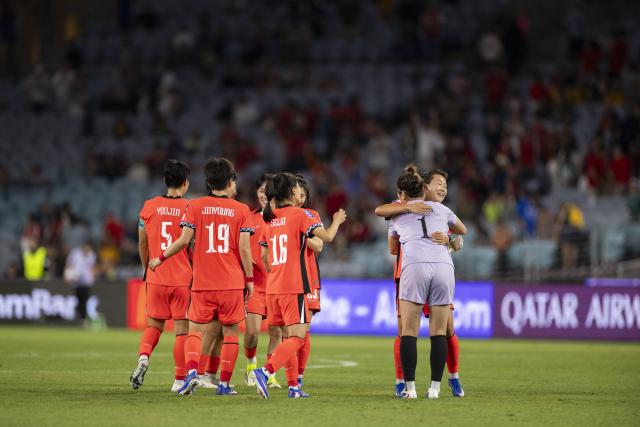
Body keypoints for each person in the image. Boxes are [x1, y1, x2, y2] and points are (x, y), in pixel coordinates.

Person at [149, 157, 254, 396]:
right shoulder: (241, 210)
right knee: (229, 334)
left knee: (194, 332)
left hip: (202, 283)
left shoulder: (194, 206)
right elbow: (245, 249)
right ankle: (224, 385)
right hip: (231, 283)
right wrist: (249, 279)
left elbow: (184, 240)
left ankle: (192, 374)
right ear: (229, 182)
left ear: (208, 181)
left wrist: (161, 257)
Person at [252, 172, 347, 399]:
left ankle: (294, 387)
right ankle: (265, 371)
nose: (299, 191)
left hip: (273, 286)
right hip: (294, 286)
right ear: (291, 192)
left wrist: (277, 271)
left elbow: (264, 255)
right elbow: (328, 238)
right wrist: (337, 220)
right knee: (297, 337)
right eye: (296, 187)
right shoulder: (300, 215)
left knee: (287, 337)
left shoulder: (269, 218)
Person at [374, 170, 464, 398]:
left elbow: (459, 240)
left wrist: (450, 242)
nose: (443, 188)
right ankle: (405, 382)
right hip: (422, 271)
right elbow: (381, 211)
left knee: (443, 329)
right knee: (411, 330)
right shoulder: (404, 204)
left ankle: (452, 377)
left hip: (416, 270)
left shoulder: (440, 209)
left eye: (445, 184)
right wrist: (408, 208)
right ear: (424, 186)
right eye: (438, 184)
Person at [129, 159, 192, 393]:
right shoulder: (189, 208)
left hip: (155, 275)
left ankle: (144, 357)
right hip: (182, 278)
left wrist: (146, 268)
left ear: (165, 180)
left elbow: (142, 243)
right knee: (182, 330)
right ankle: (178, 381)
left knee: (154, 325)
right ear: (185, 183)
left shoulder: (148, 207)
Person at [244, 174, 283, 389]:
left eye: (267, 191)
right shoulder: (248, 218)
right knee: (251, 333)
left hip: (277, 284)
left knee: (276, 332)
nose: (263, 195)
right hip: (255, 285)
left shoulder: (282, 218)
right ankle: (251, 366)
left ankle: (270, 373)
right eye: (260, 191)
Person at [293, 174, 324, 394]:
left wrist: (300, 236)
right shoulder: (278, 215)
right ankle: (277, 373)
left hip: (308, 277)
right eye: (296, 192)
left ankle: (298, 375)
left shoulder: (310, 215)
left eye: (304, 193)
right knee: (286, 330)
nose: (300, 197)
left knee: (304, 328)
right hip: (284, 278)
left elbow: (319, 246)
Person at [64, 241, 96, 325]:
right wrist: (66, 275)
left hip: (87, 282)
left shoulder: (92, 255)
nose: (88, 251)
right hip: (76, 281)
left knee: (85, 300)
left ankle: (84, 319)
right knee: (77, 300)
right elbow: (68, 264)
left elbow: (92, 267)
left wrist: (92, 278)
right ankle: (80, 318)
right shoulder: (75, 253)